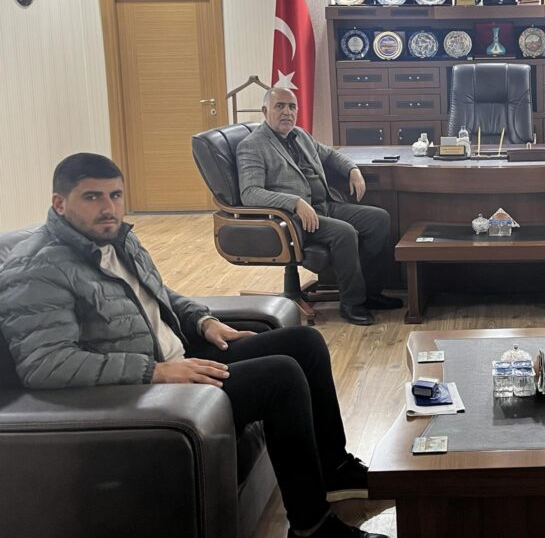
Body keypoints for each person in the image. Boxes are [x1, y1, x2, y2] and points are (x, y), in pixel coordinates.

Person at [0, 153, 385, 538]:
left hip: (178, 358)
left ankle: (335, 470)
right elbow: (47, 364)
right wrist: (155, 372)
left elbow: (158, 293)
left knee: (305, 341)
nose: (108, 208)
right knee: (281, 376)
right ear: (59, 203)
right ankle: (313, 528)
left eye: (115, 195)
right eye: (92, 197)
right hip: (144, 390)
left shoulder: (118, 238)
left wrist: (203, 320)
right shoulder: (36, 267)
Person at [237, 87, 399, 326]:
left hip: (325, 205)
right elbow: (250, 193)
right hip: (294, 218)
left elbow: (330, 155)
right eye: (280, 106)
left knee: (379, 219)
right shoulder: (252, 145)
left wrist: (352, 170)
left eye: (292, 107)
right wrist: (294, 202)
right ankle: (352, 303)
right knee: (345, 232)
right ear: (264, 111)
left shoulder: (300, 135)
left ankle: (370, 293)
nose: (287, 112)